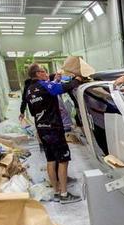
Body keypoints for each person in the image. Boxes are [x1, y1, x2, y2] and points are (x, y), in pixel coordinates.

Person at [23, 62, 81, 204]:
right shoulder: (44, 85)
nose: (46, 73)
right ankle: (64, 194)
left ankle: (56, 191)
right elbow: (61, 89)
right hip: (54, 128)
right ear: (38, 74)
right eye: (43, 71)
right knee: (63, 160)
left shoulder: (29, 90)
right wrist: (77, 80)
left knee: (51, 160)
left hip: (41, 129)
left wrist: (55, 81)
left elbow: (32, 111)